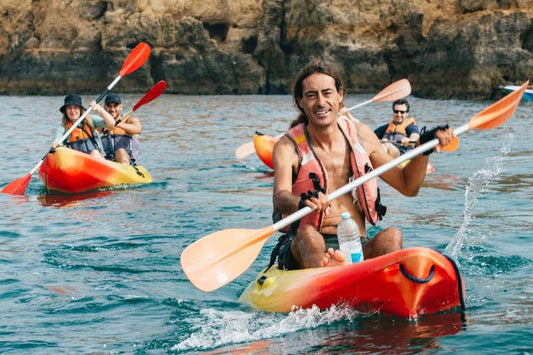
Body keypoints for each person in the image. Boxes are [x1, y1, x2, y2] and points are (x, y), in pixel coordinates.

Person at [270, 58, 455, 270]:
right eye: (311, 95)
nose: (321, 102)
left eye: (327, 93)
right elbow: (280, 198)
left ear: (340, 95)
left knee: (392, 236)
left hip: (355, 244)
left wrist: (424, 148)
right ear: (301, 101)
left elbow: (408, 186)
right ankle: (325, 271)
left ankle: (362, 276)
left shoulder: (361, 136)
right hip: (305, 246)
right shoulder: (287, 146)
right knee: (308, 234)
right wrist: (303, 200)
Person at [51, 94, 115, 159]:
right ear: (66, 111)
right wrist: (56, 144)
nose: (72, 111)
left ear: (80, 109)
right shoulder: (63, 127)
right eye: (69, 108)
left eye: (75, 107)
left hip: (96, 159)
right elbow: (57, 140)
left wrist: (100, 110)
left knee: (95, 152)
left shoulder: (90, 119)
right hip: (77, 161)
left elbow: (112, 124)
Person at [100, 93, 142, 164]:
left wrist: (118, 124)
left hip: (126, 159)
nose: (112, 109)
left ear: (121, 107)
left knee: (120, 151)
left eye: (115, 106)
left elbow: (138, 129)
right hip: (107, 160)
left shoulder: (129, 120)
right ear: (105, 107)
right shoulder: (100, 123)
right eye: (109, 106)